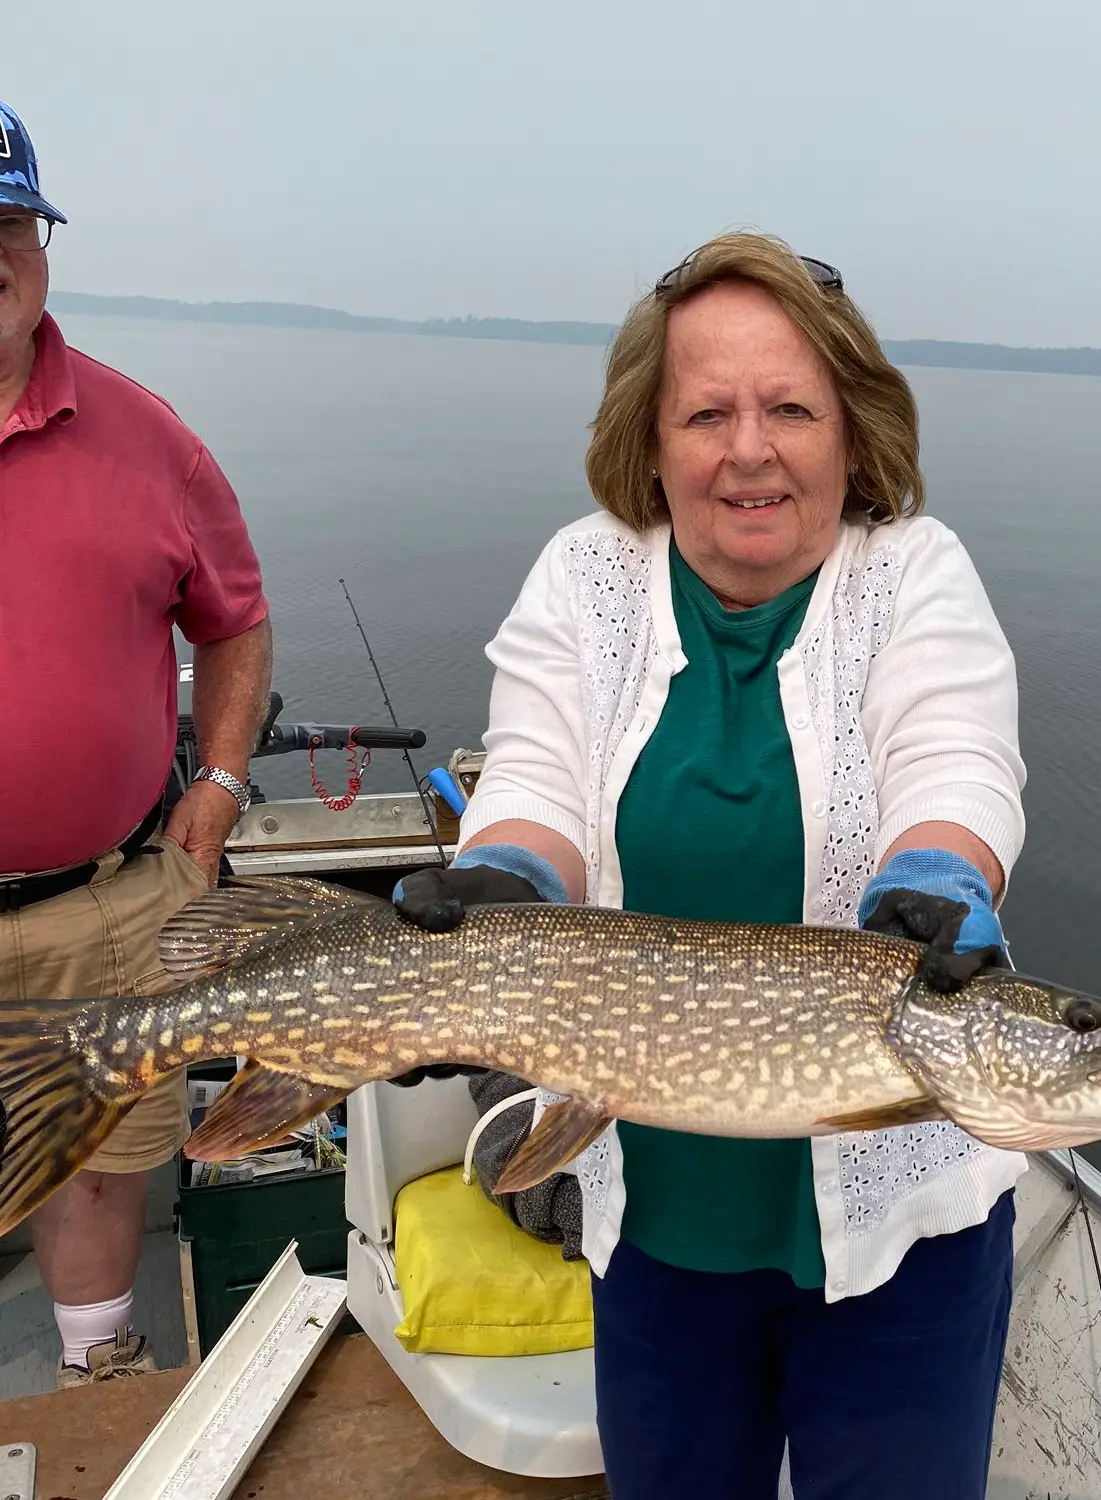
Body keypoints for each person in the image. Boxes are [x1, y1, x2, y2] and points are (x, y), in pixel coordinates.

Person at [396, 232, 1026, 1500]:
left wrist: (941, 876)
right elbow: (532, 771)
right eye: (708, 412)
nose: (751, 448)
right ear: (651, 439)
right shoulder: (587, 577)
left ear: (851, 429)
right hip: (663, 1225)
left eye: (790, 407)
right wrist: (508, 873)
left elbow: (957, 760)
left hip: (905, 1237)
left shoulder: (914, 573)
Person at [0, 99, 272, 1386]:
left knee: (102, 1161)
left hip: (105, 898)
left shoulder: (146, 434)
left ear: (42, 243)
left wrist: (214, 789)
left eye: (8, 222)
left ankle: (97, 1372)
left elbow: (235, 620)